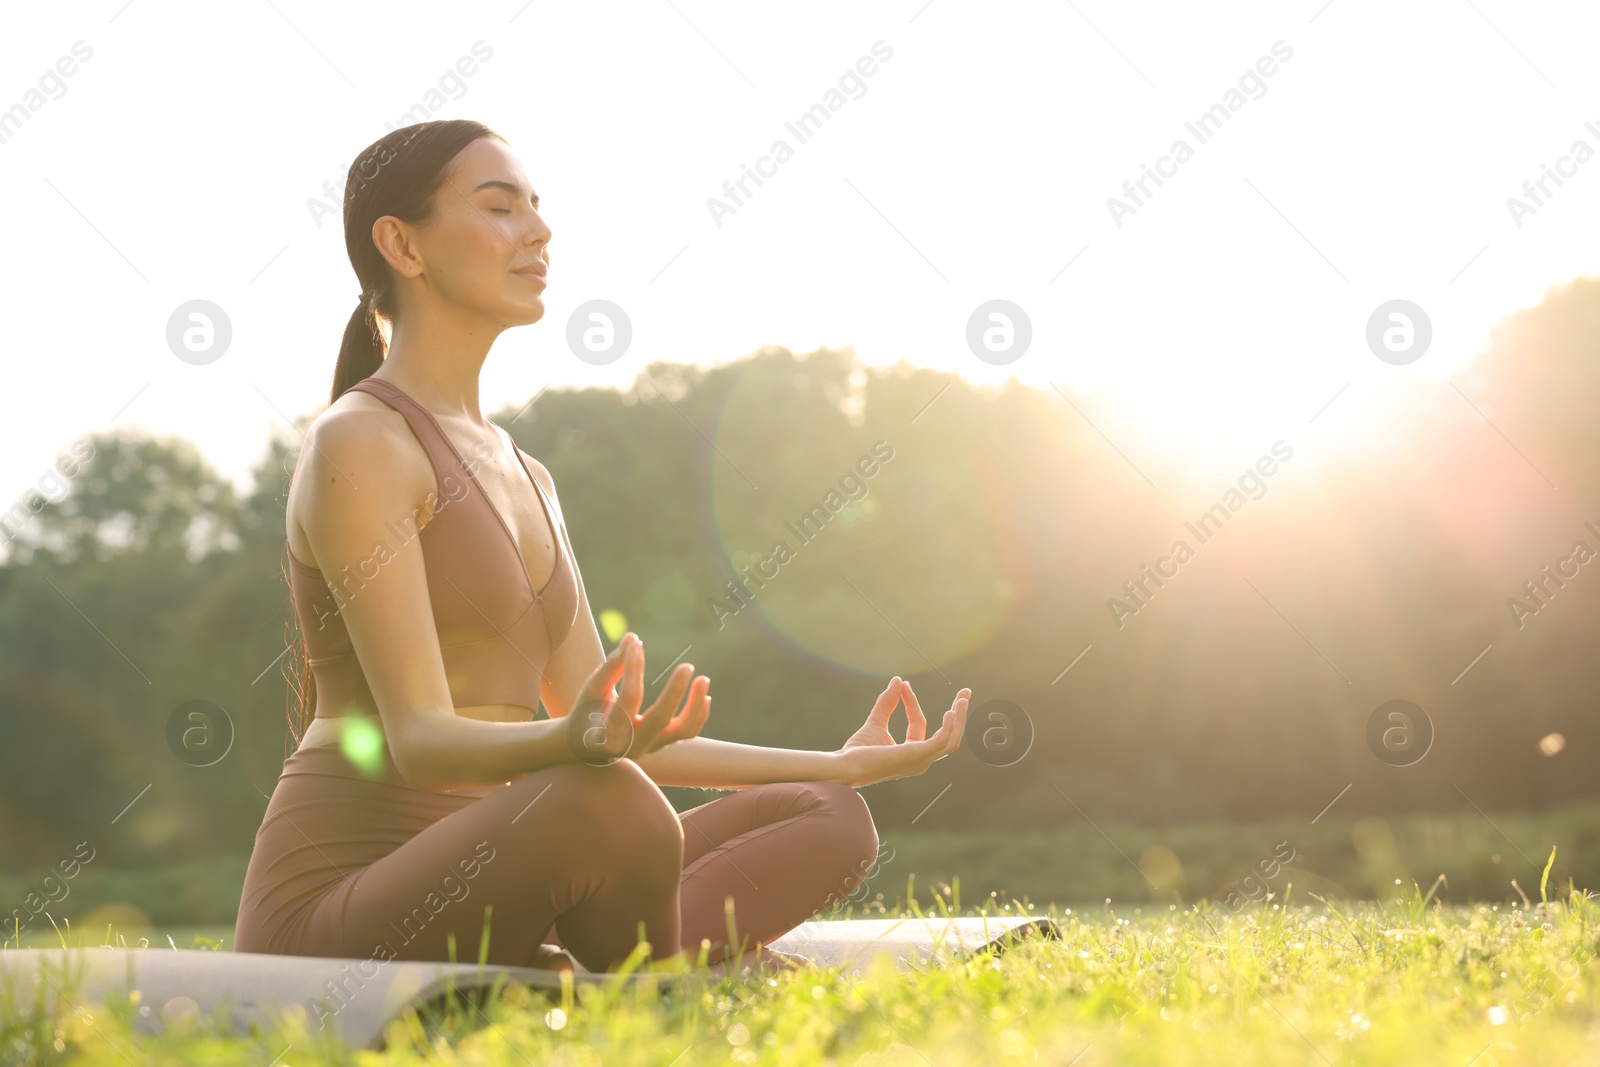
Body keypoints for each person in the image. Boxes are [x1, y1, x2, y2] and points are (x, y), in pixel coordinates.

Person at [231, 119, 970, 978]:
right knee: (605, 800)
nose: (538, 231)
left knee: (826, 814)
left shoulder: (527, 473)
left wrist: (846, 763)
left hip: (516, 868)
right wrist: (574, 746)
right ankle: (678, 975)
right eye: (500, 207)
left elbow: (626, 736)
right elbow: (424, 739)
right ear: (401, 243)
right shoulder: (362, 443)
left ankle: (633, 969)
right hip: (348, 916)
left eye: (537, 208)